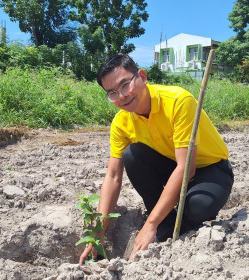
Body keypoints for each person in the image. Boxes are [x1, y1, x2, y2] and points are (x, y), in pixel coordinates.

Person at [79, 54, 234, 264]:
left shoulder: (178, 101)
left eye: (125, 85)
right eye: (113, 93)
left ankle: (178, 225)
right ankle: (166, 224)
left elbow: (185, 169)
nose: (122, 96)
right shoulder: (121, 122)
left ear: (142, 76)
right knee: (132, 155)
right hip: (172, 165)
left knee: (198, 206)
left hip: (210, 168)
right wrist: (98, 233)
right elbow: (114, 176)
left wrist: (149, 224)